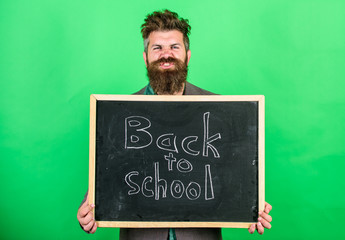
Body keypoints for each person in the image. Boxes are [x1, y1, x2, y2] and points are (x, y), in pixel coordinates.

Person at [77, 9, 272, 239]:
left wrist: (250, 206)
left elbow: (233, 178)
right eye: (157, 47)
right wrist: (88, 212)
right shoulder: (118, 114)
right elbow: (106, 182)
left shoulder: (221, 111)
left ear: (187, 55)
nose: (166, 54)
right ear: (145, 56)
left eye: (174, 47)